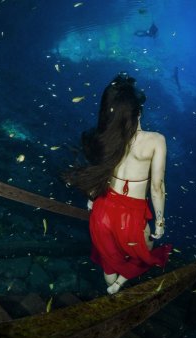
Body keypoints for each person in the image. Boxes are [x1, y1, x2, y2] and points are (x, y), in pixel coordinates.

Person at [66, 73, 172, 294]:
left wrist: (91, 198)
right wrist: (160, 222)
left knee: (109, 258)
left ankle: (111, 289)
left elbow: (99, 169)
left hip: (102, 208)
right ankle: (118, 286)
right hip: (131, 214)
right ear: (139, 112)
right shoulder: (155, 141)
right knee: (147, 250)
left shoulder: (109, 137)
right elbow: (157, 187)